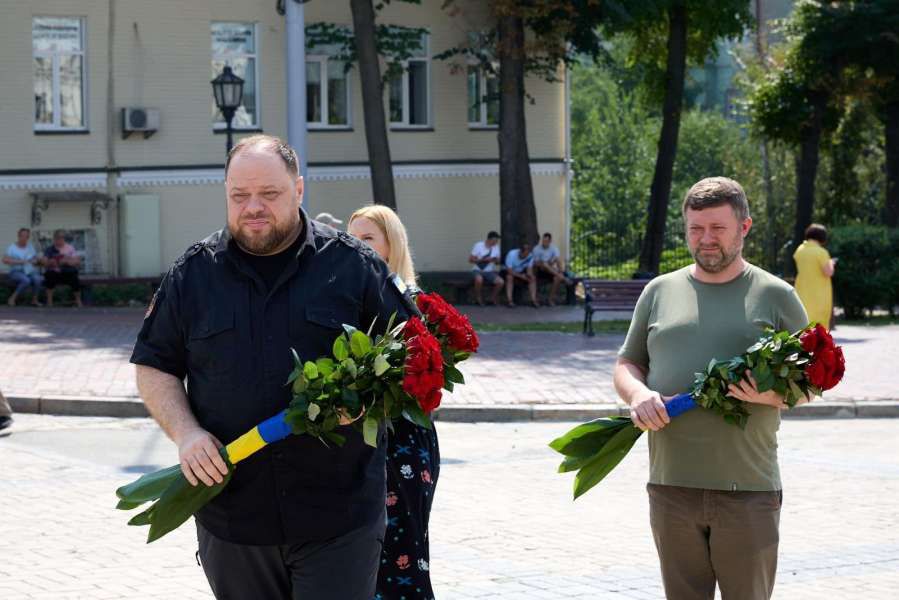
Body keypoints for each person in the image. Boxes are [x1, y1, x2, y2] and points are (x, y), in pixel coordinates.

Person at [130, 135, 410, 600]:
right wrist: (186, 433)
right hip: (234, 518)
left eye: (270, 194)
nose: (253, 207)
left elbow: (413, 357)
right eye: (240, 196)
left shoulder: (355, 267)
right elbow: (153, 365)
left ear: (299, 190)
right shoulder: (192, 275)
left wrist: (369, 405)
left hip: (337, 518)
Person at [614, 177, 810, 600]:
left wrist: (768, 395)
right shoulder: (658, 291)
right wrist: (638, 394)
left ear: (744, 227)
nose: (705, 240)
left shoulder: (777, 296)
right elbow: (628, 364)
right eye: (695, 229)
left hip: (747, 492)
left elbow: (810, 384)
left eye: (717, 228)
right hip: (670, 487)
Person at [347, 205, 439, 600]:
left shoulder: (412, 301)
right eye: (352, 239)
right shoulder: (347, 301)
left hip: (403, 444)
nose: (357, 247)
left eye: (368, 238)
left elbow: (429, 387)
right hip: (356, 445)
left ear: (391, 245)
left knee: (404, 553)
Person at [793, 224, 835, 329]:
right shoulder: (821, 252)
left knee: (803, 325)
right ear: (822, 237)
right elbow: (828, 272)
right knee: (819, 327)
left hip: (801, 291)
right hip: (819, 294)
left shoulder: (800, 250)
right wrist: (831, 263)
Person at [3, 228, 44, 306]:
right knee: (26, 280)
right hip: (16, 271)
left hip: (29, 271)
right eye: (23, 236)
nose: (25, 238)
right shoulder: (12, 248)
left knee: (38, 279)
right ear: (19, 236)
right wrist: (20, 262)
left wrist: (35, 260)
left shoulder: (30, 247)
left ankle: (34, 300)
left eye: (27, 236)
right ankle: (12, 298)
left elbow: (34, 258)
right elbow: (5, 260)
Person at [43, 230, 82, 308]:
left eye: (61, 238)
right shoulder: (50, 249)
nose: (59, 240)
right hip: (54, 271)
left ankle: (78, 301)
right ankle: (49, 302)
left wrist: (67, 261)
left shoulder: (70, 248)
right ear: (54, 239)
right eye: (57, 238)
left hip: (68, 270)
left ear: (64, 238)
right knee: (49, 275)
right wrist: (50, 262)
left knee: (74, 276)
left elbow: (77, 261)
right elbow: (44, 262)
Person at [532, 232, 572, 306]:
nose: (544, 243)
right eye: (543, 241)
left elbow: (557, 260)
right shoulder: (536, 249)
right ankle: (564, 278)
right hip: (540, 270)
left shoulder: (554, 248)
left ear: (550, 241)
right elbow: (536, 263)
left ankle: (550, 299)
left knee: (558, 278)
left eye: (546, 241)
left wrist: (561, 271)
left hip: (551, 270)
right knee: (544, 264)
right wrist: (545, 263)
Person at [469, 231, 504, 306]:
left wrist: (496, 260)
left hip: (489, 271)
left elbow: (497, 262)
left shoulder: (496, 247)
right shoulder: (478, 245)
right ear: (490, 239)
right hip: (477, 269)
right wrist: (484, 260)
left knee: (500, 282)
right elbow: (471, 260)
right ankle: (478, 298)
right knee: (479, 279)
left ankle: (492, 298)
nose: (496, 242)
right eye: (495, 240)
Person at [504, 242, 538, 308]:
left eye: (527, 254)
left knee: (533, 278)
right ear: (520, 252)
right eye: (525, 254)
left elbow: (529, 269)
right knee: (509, 277)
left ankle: (533, 300)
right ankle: (510, 301)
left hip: (521, 272)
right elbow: (509, 271)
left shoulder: (530, 256)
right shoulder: (512, 254)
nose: (526, 256)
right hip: (510, 272)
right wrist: (521, 276)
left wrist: (529, 275)